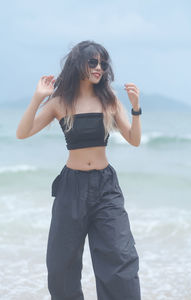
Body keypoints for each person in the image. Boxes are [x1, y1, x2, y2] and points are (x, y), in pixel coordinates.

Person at [16, 40, 142, 300]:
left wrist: (136, 108)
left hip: (106, 187)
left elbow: (134, 139)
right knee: (61, 265)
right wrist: (38, 98)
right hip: (71, 188)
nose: (99, 68)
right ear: (79, 64)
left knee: (120, 256)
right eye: (93, 62)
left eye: (103, 63)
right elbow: (23, 133)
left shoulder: (109, 99)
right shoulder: (59, 103)